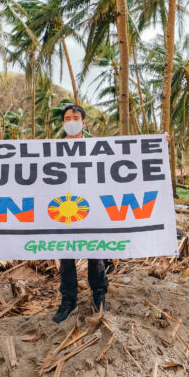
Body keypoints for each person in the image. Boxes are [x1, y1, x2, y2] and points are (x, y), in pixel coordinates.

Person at [52, 104, 109, 322]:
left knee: (96, 254)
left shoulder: (97, 148)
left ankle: (99, 294)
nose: (72, 120)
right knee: (66, 257)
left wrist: (159, 145)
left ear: (84, 122)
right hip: (64, 209)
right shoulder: (53, 151)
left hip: (92, 208)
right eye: (67, 118)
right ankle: (69, 300)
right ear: (63, 123)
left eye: (76, 117)